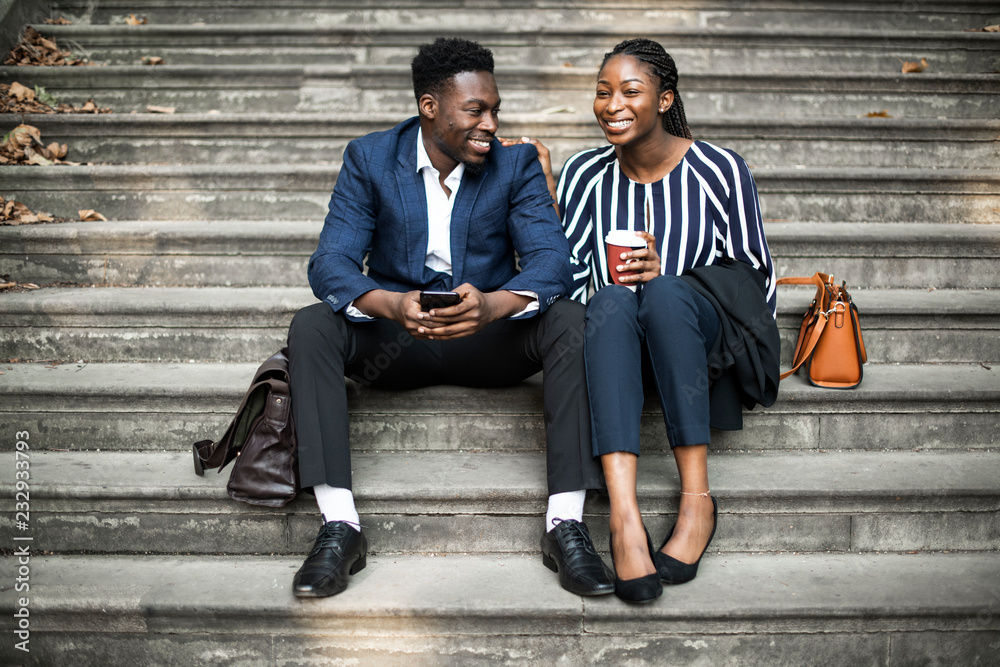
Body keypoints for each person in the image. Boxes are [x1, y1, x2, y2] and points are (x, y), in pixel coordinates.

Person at [285, 37, 614, 599]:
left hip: (488, 337)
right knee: (312, 324)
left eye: (494, 109)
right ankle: (340, 527)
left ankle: (567, 526)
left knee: (570, 319)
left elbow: (552, 263)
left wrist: (495, 305)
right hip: (399, 337)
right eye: (475, 110)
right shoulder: (370, 157)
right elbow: (332, 262)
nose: (490, 124)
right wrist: (389, 304)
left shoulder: (514, 165)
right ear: (429, 106)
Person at [512, 38, 778, 603]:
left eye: (630, 91)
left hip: (698, 349)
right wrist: (546, 194)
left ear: (664, 99)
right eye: (603, 92)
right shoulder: (586, 173)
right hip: (615, 348)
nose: (612, 104)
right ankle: (624, 517)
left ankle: (696, 502)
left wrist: (670, 273)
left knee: (665, 297)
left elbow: (758, 280)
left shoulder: (720, 170)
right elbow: (567, 276)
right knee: (608, 301)